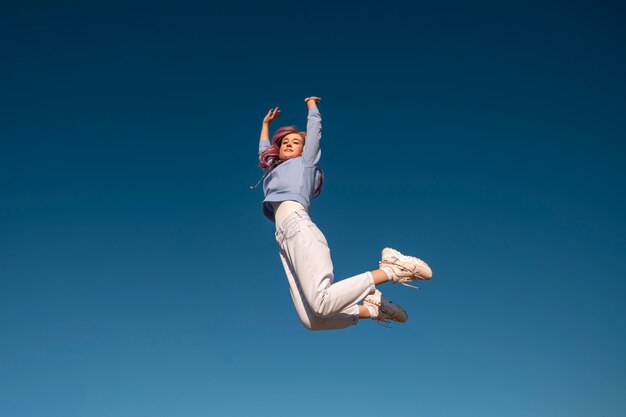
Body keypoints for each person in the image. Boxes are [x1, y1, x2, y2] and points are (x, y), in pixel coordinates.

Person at [256, 96, 432, 330]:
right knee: (312, 320)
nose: (288, 144)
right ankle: (372, 309)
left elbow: (315, 133)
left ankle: (392, 269)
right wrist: (265, 124)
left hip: (297, 225)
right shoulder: (274, 170)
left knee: (322, 302)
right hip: (282, 239)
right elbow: (263, 151)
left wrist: (312, 106)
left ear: (303, 149)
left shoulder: (305, 164)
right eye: (285, 142)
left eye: (295, 142)